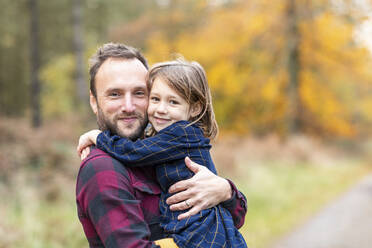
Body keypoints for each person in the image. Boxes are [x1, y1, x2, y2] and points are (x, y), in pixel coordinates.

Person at [75, 43, 247, 248]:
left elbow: (236, 217)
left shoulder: (159, 150)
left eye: (140, 93)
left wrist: (224, 190)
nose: (128, 107)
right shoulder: (103, 168)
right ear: (94, 102)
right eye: (115, 94)